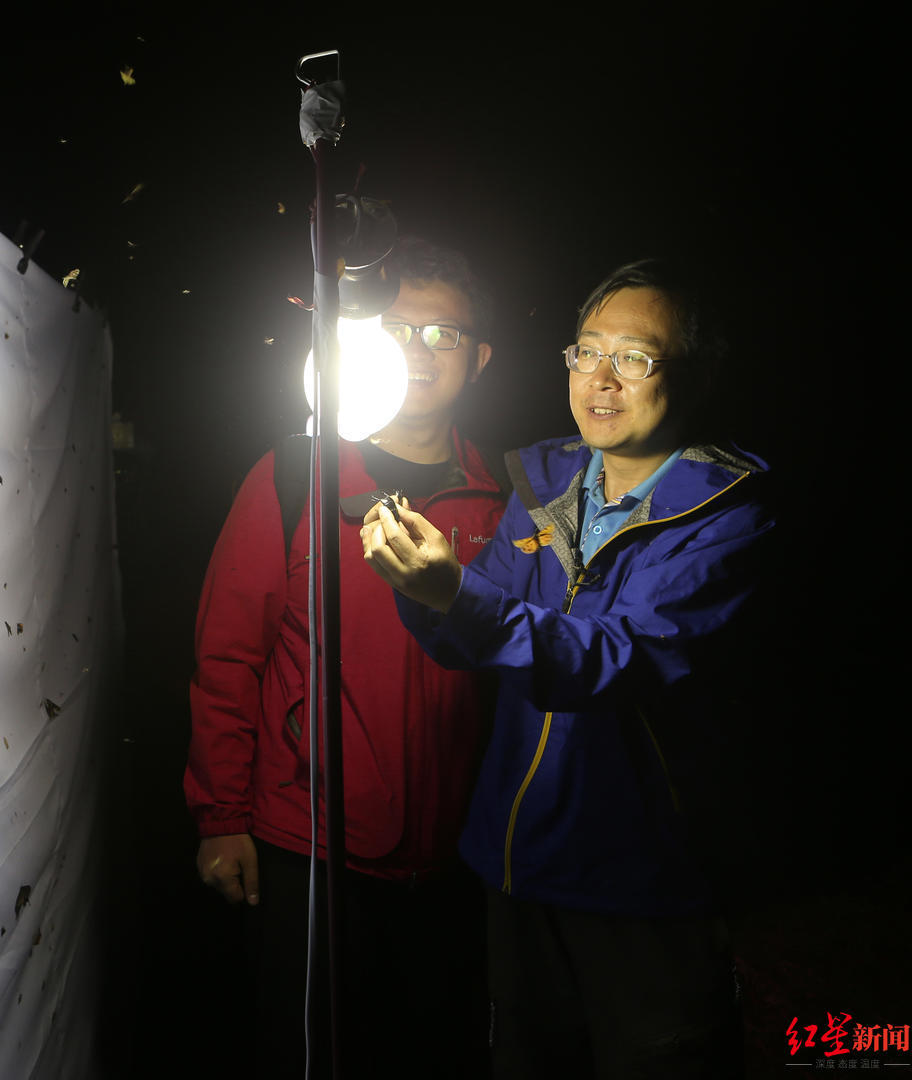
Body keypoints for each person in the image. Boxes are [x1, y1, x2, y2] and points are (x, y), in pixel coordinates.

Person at [361, 258, 773, 1079]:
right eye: (587, 352)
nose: (602, 380)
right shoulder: (545, 483)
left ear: (690, 376)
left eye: (635, 357)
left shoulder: (727, 519)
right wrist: (422, 590)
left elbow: (616, 661)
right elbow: (468, 641)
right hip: (513, 860)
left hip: (641, 882)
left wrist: (457, 595)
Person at [184, 236, 506, 1075]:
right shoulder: (297, 474)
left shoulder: (504, 503)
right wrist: (221, 819)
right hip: (308, 848)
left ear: (479, 358)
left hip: (451, 859)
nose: (420, 353)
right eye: (399, 330)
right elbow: (227, 656)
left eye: (444, 335)